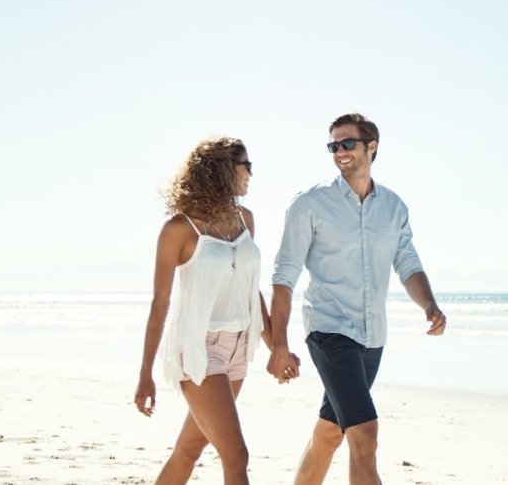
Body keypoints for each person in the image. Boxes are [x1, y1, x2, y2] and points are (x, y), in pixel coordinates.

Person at [266, 113, 447, 485]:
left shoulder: (393, 207)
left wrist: (428, 304)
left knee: (331, 432)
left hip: (372, 339)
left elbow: (408, 263)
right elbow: (284, 276)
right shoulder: (310, 203)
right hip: (329, 331)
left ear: (371, 147)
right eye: (333, 145)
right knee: (364, 436)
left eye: (348, 143)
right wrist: (278, 345)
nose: (340, 151)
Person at [134, 136, 274, 485]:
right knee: (236, 456)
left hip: (239, 348)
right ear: (223, 170)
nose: (251, 174)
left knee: (189, 450)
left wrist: (277, 347)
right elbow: (160, 304)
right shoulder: (179, 229)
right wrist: (145, 373)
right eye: (247, 165)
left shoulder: (245, 219)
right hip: (199, 350)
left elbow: (250, 289)